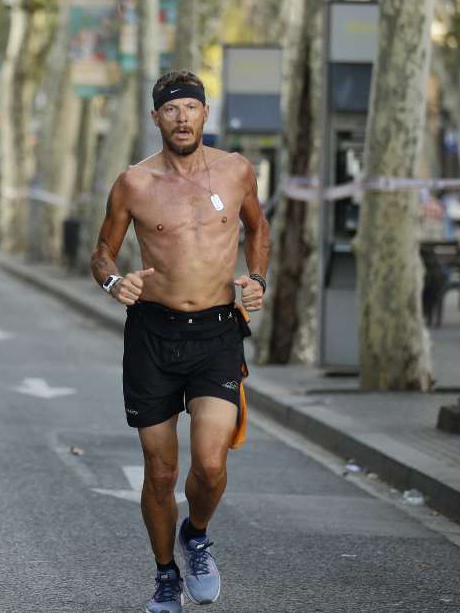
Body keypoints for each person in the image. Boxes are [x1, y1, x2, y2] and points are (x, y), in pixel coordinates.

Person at [90, 71, 270, 613]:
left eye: (191, 108)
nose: (182, 118)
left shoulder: (237, 171)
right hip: (152, 334)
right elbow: (102, 250)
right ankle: (166, 574)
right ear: (156, 119)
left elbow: (258, 229)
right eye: (172, 110)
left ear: (205, 114)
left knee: (211, 465)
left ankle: (196, 533)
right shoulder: (133, 184)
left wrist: (257, 279)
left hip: (217, 331)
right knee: (161, 471)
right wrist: (113, 282)